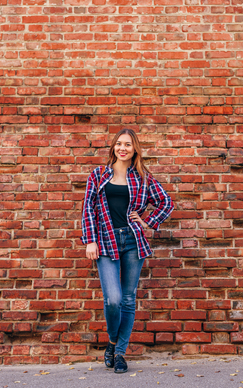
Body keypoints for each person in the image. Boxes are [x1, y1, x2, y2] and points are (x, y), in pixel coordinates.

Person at [81, 128, 174, 373]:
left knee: (129, 299)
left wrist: (148, 221)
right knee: (113, 299)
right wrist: (90, 240)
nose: (123, 148)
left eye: (128, 145)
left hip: (132, 241)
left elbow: (166, 202)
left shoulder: (143, 177)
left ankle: (120, 352)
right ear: (113, 147)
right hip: (104, 241)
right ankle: (112, 341)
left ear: (135, 150)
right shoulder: (98, 175)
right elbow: (88, 209)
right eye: (119, 144)